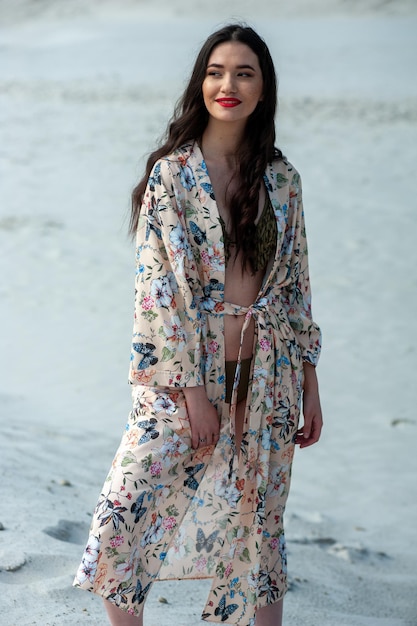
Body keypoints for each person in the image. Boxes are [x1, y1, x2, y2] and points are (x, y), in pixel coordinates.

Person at [74, 23, 323, 626]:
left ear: (264, 89)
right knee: (124, 513)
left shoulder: (283, 180)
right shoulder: (172, 176)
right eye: (215, 72)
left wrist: (312, 387)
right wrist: (192, 394)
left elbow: (294, 289)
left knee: (259, 528)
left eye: (244, 73)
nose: (228, 84)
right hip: (179, 379)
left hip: (269, 376)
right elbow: (157, 298)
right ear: (200, 83)